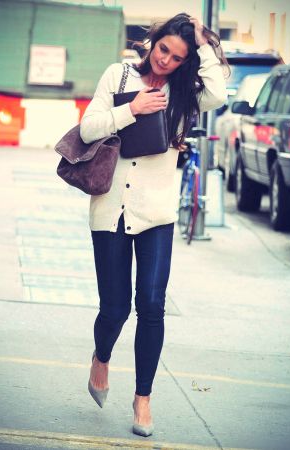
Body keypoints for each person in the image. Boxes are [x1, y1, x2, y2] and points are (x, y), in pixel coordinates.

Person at [80, 12, 228, 437]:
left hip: (157, 213)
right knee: (114, 308)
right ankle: (101, 357)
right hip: (110, 208)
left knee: (151, 303)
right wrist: (132, 110)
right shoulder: (118, 74)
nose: (165, 61)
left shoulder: (185, 95)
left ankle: (142, 398)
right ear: (153, 42)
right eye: (164, 49)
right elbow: (89, 129)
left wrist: (202, 43)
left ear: (186, 61)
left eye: (178, 57)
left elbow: (219, 92)